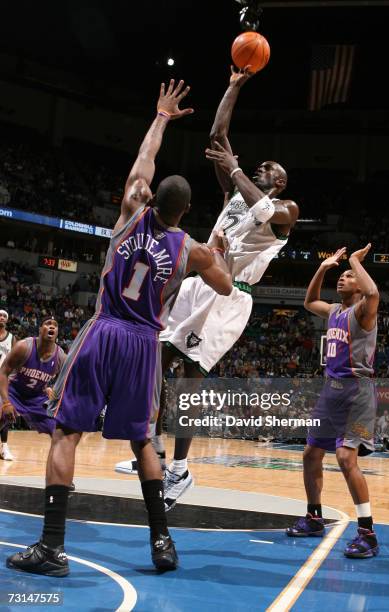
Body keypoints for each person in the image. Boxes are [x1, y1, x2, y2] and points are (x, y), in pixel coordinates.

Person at [6, 79, 232, 577]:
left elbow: (141, 162)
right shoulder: (190, 250)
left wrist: (162, 118)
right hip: (144, 346)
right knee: (143, 443)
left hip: (104, 330)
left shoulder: (131, 211)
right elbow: (226, 286)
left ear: (150, 199)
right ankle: (162, 542)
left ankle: (51, 547)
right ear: (185, 212)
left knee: (65, 433)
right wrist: (222, 252)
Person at [115, 67, 299, 510]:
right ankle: (151, 446)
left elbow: (261, 205)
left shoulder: (285, 209)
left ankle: (180, 468)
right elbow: (218, 135)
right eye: (256, 166)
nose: (259, 166)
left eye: (267, 168)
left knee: (190, 377)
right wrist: (234, 87)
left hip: (230, 295)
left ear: (280, 180)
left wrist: (237, 169)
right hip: (201, 282)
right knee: (155, 357)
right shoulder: (235, 195)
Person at [286, 244, 380, 558]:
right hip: (331, 391)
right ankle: (314, 517)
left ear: (359, 284)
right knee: (311, 454)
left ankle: (367, 532)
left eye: (349, 277)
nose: (343, 279)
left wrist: (355, 260)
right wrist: (324, 268)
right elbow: (309, 301)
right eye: (341, 277)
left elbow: (374, 292)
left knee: (345, 458)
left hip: (358, 393)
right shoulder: (334, 311)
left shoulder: (364, 311)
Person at [0, 316, 65, 440]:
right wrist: (6, 402)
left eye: (55, 325)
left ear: (57, 332)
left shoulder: (61, 357)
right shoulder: (23, 346)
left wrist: (53, 388)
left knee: (59, 430)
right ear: (40, 329)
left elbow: (68, 380)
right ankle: (4, 446)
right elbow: (3, 372)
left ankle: (57, 459)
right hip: (13, 392)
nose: (52, 326)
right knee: (1, 416)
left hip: (36, 398)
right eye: (47, 323)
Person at [0, 309, 17, 460]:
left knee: (4, 414)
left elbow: (17, 360)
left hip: (3, 381)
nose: (2, 317)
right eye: (0, 315)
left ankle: (4, 447)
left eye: (4, 315)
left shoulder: (12, 338)